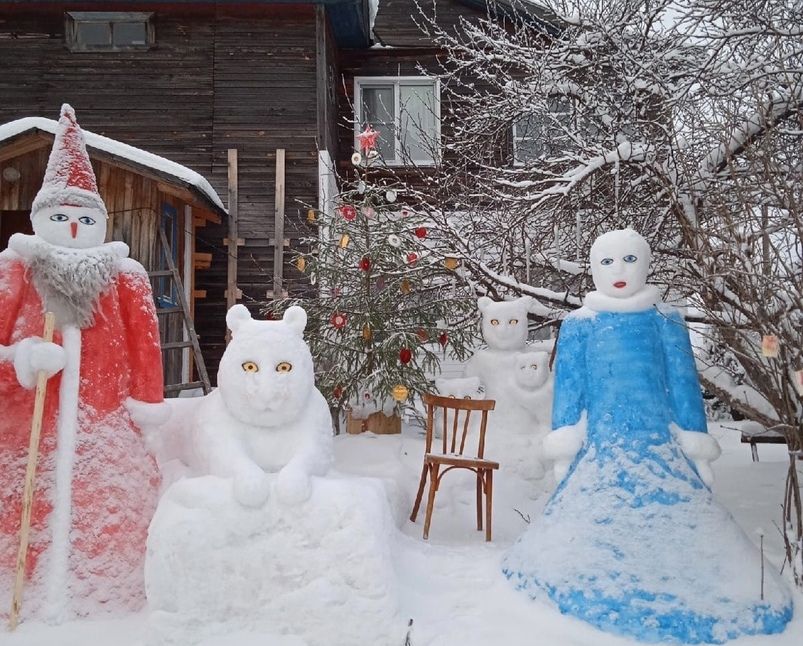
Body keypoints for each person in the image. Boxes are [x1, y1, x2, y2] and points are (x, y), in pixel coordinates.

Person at [502, 229, 792, 643]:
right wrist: (565, 439)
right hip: (601, 453)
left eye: (629, 260)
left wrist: (695, 441)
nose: (619, 271)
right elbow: (569, 390)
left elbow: (684, 383)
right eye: (606, 262)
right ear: (592, 267)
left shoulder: (665, 321)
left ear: (646, 262)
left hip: (662, 451)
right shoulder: (580, 325)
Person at [0, 104, 163, 619]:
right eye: (62, 217)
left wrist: (149, 420)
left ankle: (110, 609)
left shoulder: (126, 277)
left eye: (85, 218)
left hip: (108, 440)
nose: (73, 229)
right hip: (25, 444)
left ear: (101, 220)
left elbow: (146, 358)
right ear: (41, 218)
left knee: (110, 532)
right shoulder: (15, 270)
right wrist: (18, 361)